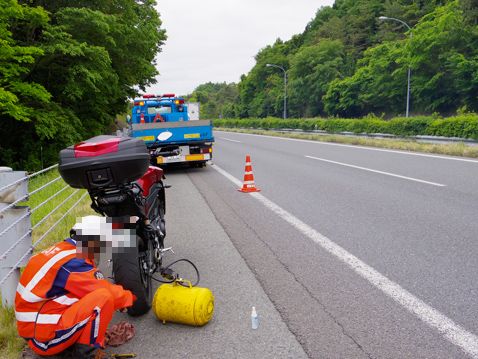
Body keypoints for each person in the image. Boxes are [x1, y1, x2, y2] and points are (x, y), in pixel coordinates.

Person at [15, 216, 136, 358]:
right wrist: (130, 298)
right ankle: (85, 354)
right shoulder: (75, 262)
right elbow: (104, 290)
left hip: (35, 327)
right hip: (44, 339)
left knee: (86, 294)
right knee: (103, 298)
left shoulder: (62, 251)